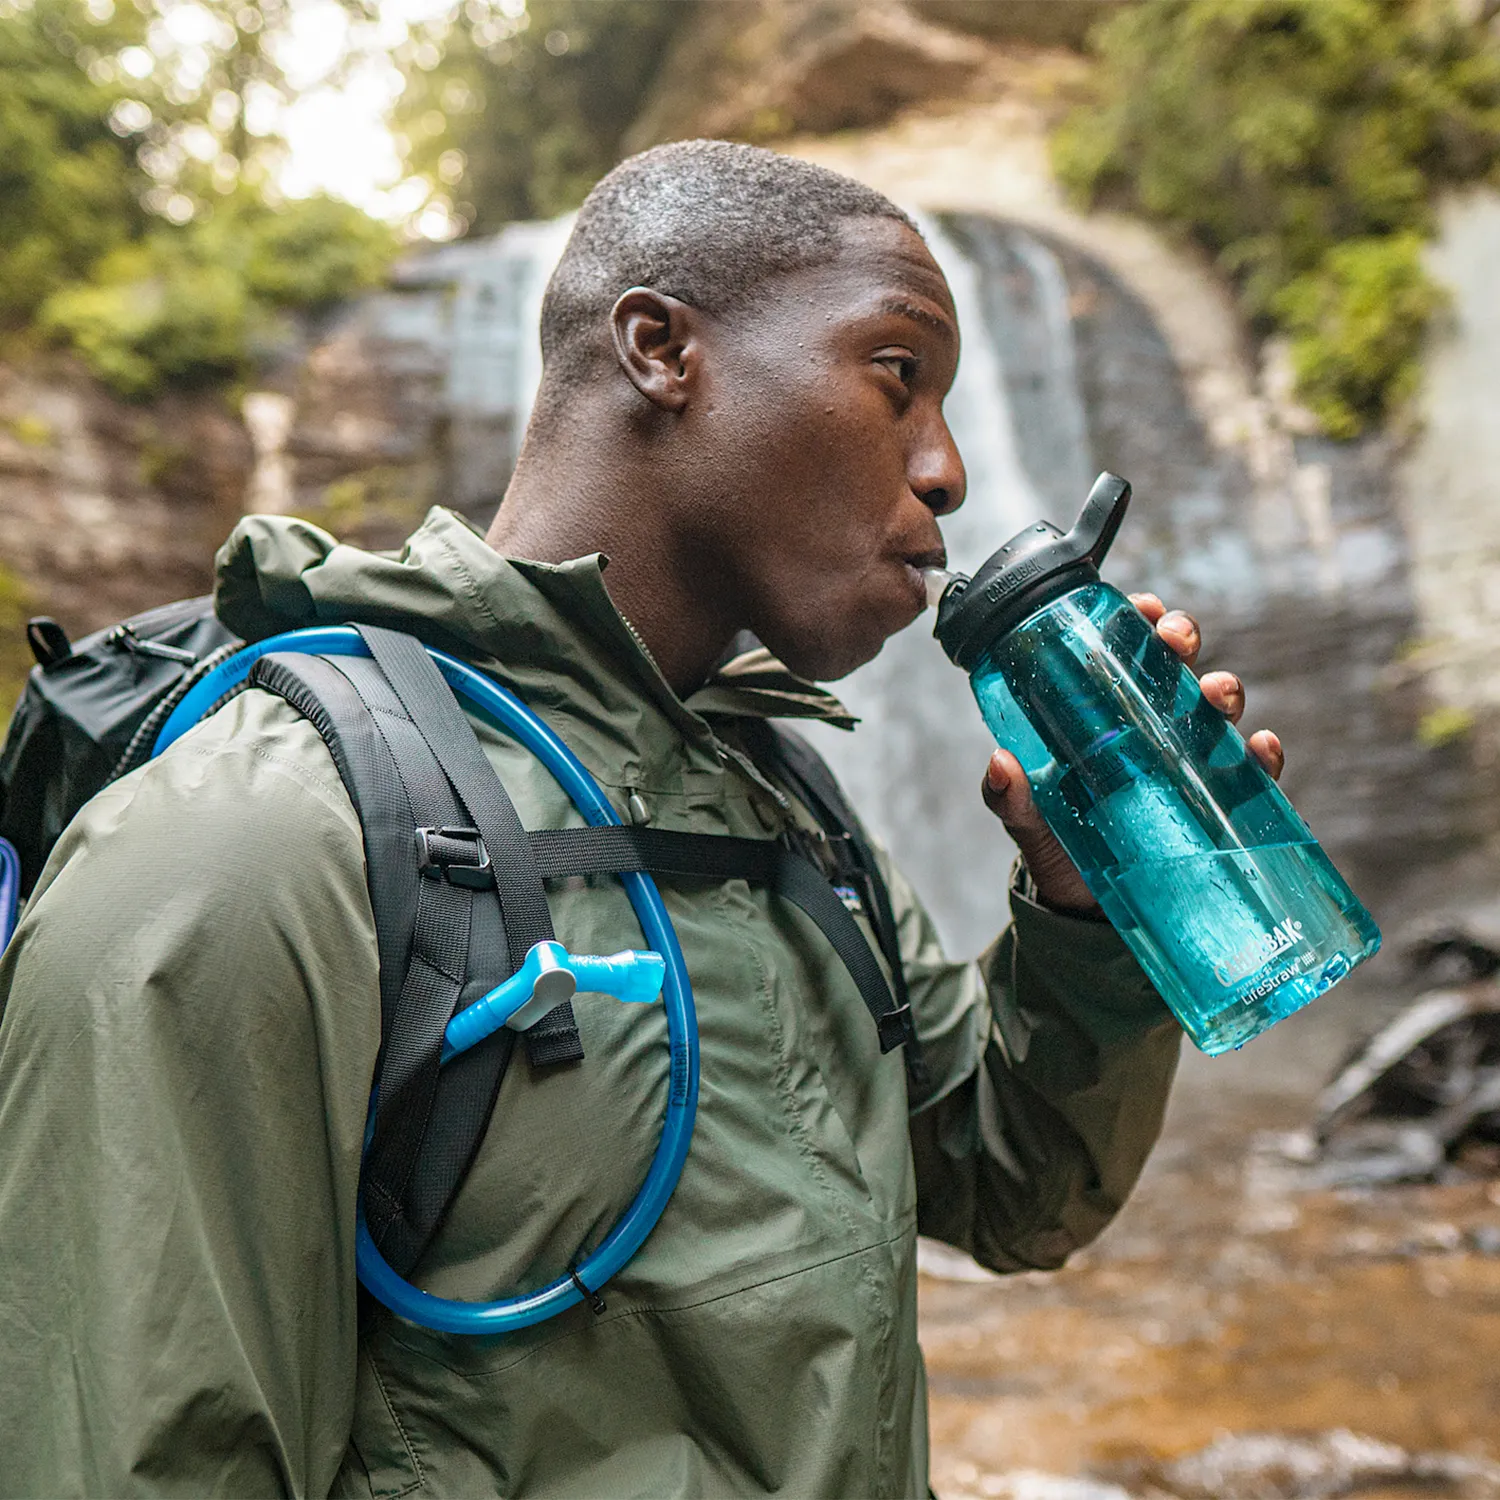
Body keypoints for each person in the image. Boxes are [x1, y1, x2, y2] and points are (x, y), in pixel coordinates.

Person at [0, 141, 1282, 1498]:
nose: (951, 470)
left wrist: (1088, 909)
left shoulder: (784, 810)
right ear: (662, 350)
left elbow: (1018, 1193)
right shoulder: (258, 839)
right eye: (898, 377)